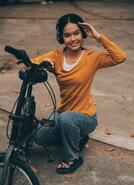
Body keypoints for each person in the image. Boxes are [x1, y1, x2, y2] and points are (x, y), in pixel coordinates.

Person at [32, 13, 127, 174]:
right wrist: (42, 64)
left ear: (82, 33)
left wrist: (97, 36)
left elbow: (120, 57)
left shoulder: (91, 58)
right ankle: (75, 138)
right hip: (62, 114)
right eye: (67, 35)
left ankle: (72, 158)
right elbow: (29, 64)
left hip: (85, 117)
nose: (73, 39)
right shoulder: (56, 56)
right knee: (40, 137)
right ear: (61, 37)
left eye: (76, 33)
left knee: (67, 119)